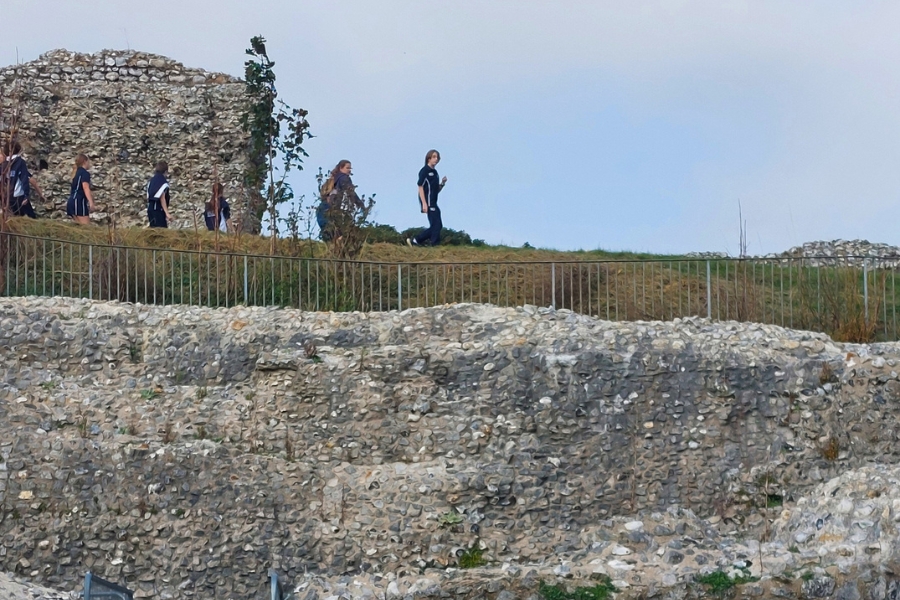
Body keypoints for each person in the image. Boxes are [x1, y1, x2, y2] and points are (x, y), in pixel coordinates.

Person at [407, 149, 448, 247]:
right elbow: (420, 186)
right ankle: (432, 243)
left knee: (438, 225)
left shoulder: (435, 173)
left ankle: (417, 240)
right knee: (436, 225)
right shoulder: (424, 171)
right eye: (434, 157)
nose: (436, 159)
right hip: (428, 203)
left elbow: (435, 190)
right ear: (428, 158)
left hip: (434, 202)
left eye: (437, 157)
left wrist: (442, 183)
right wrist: (424, 203)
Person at [317, 160, 364, 241]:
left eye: (350, 168)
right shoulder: (344, 178)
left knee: (329, 232)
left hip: (323, 207)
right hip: (331, 207)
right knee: (337, 234)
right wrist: (360, 204)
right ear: (340, 168)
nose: (349, 170)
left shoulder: (333, 179)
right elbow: (350, 192)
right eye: (347, 168)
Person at [2, 140, 37, 218]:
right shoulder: (20, 162)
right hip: (19, 195)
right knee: (31, 218)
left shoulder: (3, 165)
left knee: (14, 218)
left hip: (8, 197)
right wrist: (26, 196)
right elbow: (24, 178)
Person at [66, 154, 95, 224]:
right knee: (86, 228)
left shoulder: (76, 172)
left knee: (80, 228)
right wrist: (91, 202)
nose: (89, 164)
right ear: (85, 162)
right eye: (88, 162)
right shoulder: (84, 173)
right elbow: (85, 187)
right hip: (78, 202)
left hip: (72, 201)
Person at [146, 161, 172, 228]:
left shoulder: (152, 181)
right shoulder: (163, 182)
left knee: (153, 230)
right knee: (161, 231)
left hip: (150, 209)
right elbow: (162, 198)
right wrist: (167, 213)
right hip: (157, 210)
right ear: (165, 171)